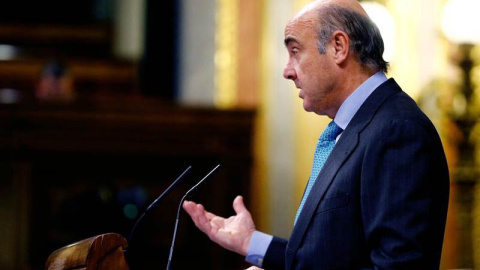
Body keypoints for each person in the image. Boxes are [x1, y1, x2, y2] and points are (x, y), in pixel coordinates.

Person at [183, 0, 450, 269]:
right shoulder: (354, 129)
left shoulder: (397, 132)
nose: (287, 71)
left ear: (338, 47)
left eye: (295, 51)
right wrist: (251, 243)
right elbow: (330, 257)